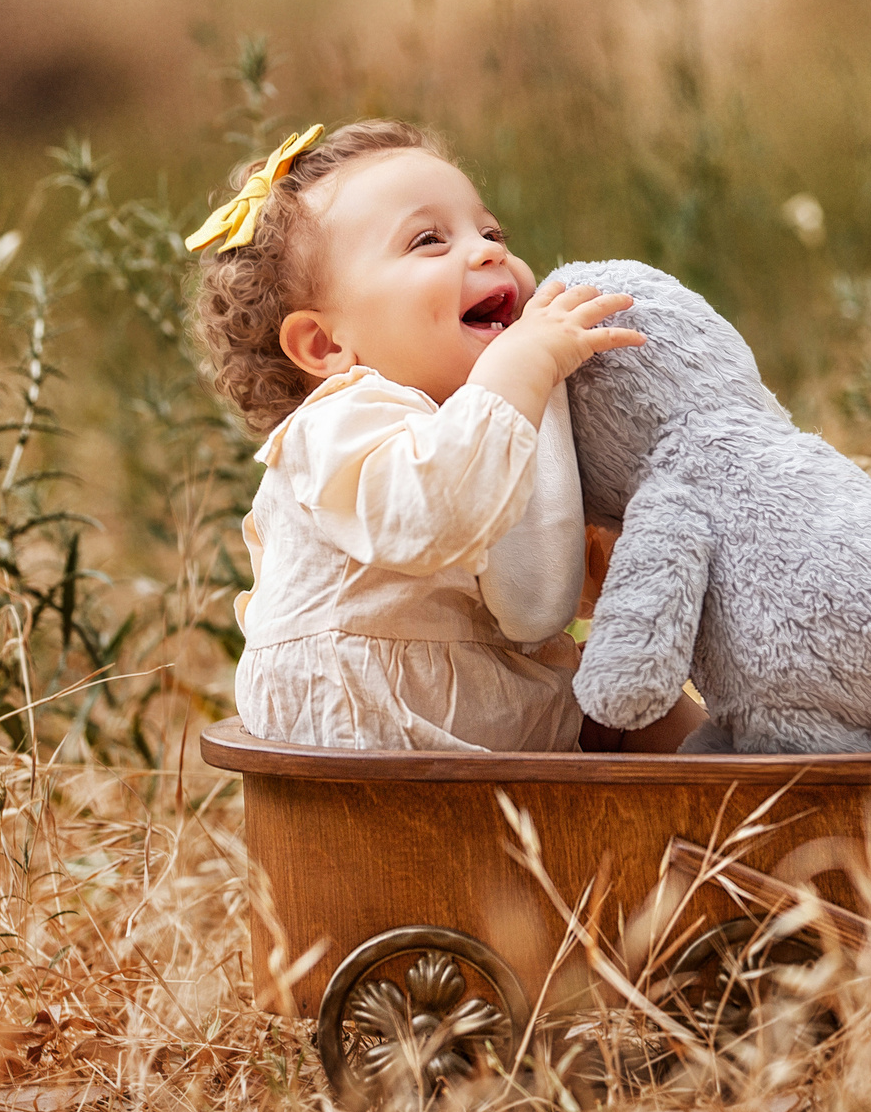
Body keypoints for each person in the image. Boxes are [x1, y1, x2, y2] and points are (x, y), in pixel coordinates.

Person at [189, 118, 705, 752]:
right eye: (428, 240)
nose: (488, 252)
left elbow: (534, 578)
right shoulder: (339, 424)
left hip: (490, 704)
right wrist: (522, 366)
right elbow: (435, 509)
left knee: (636, 702)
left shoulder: (488, 419)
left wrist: (613, 553)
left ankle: (766, 774)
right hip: (371, 729)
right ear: (324, 344)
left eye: (491, 232)